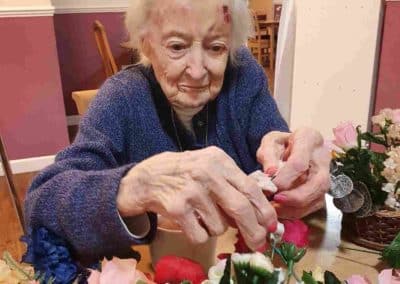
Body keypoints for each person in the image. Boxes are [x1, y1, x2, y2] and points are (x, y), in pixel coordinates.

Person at [24, 0, 330, 262]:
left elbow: (277, 148)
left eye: (216, 47)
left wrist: (305, 168)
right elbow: (40, 205)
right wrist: (134, 188)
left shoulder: (243, 77)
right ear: (146, 44)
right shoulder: (122, 97)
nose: (197, 70)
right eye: (177, 46)